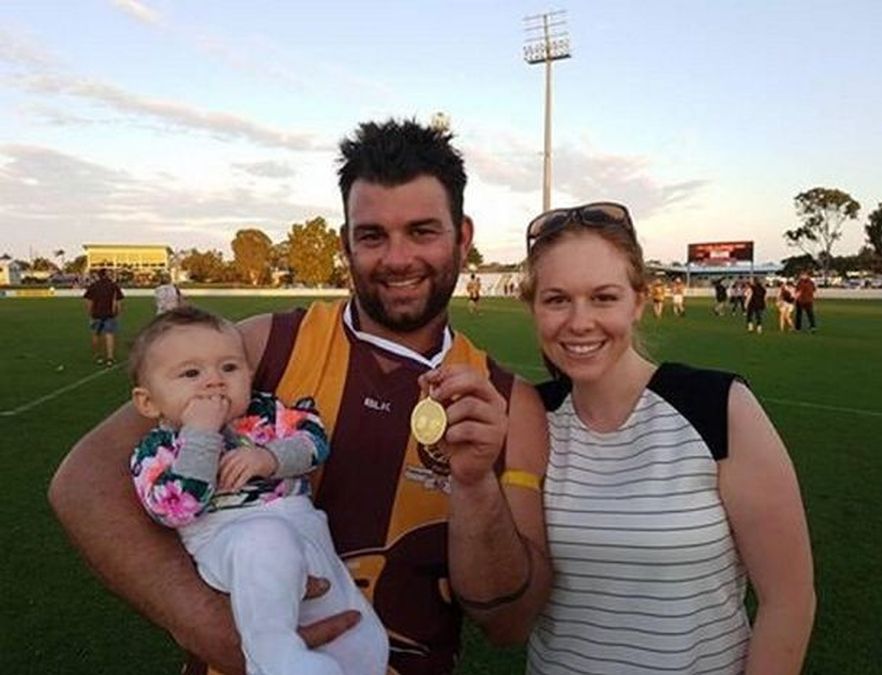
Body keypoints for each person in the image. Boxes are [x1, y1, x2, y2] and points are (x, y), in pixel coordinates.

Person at [48, 119, 551, 675]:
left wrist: (475, 486)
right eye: (372, 236)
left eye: (422, 231)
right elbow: (84, 481)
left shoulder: (509, 402)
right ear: (345, 244)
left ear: (463, 236)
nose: (397, 258)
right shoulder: (262, 346)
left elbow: (509, 623)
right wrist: (211, 624)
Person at [519, 202, 815, 674]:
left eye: (603, 297)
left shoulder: (719, 407)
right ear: (533, 307)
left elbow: (788, 600)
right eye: (556, 300)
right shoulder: (528, 417)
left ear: (638, 301)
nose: (579, 321)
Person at [128, 306, 387, 675]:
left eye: (229, 368)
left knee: (363, 640)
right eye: (191, 373)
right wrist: (201, 434)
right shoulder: (157, 449)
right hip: (228, 539)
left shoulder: (266, 413)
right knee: (265, 541)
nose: (214, 382)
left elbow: (315, 439)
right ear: (148, 401)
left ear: (249, 375)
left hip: (305, 532)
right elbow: (176, 509)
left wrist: (271, 457)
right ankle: (275, 660)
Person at [83, 267, 124, 365]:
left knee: (96, 335)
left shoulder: (93, 286)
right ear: (106, 275)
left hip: (96, 314)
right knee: (109, 335)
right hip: (110, 314)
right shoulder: (113, 286)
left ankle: (98, 356)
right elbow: (118, 302)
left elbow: (88, 301)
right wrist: (118, 313)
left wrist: (90, 313)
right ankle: (110, 357)